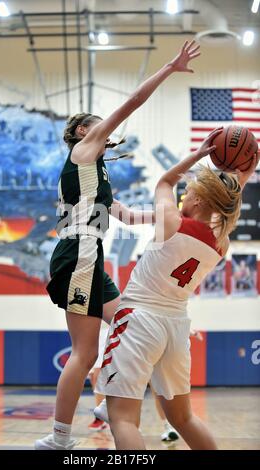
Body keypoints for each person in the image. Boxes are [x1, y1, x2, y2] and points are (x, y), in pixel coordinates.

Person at [35, 40, 201, 451]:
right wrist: (169, 67)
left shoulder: (97, 178)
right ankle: (60, 438)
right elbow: (132, 102)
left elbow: (129, 216)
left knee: (131, 323)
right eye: (100, 124)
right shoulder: (83, 150)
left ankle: (110, 404)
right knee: (84, 352)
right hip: (78, 254)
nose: (108, 129)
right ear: (81, 131)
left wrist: (177, 220)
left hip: (90, 256)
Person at [94, 131, 259, 450]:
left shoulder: (171, 221)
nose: (181, 196)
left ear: (197, 200)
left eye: (188, 193)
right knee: (183, 419)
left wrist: (199, 154)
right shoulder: (220, 242)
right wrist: (245, 169)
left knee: (123, 419)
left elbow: (165, 182)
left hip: (139, 320)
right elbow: (227, 199)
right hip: (175, 327)